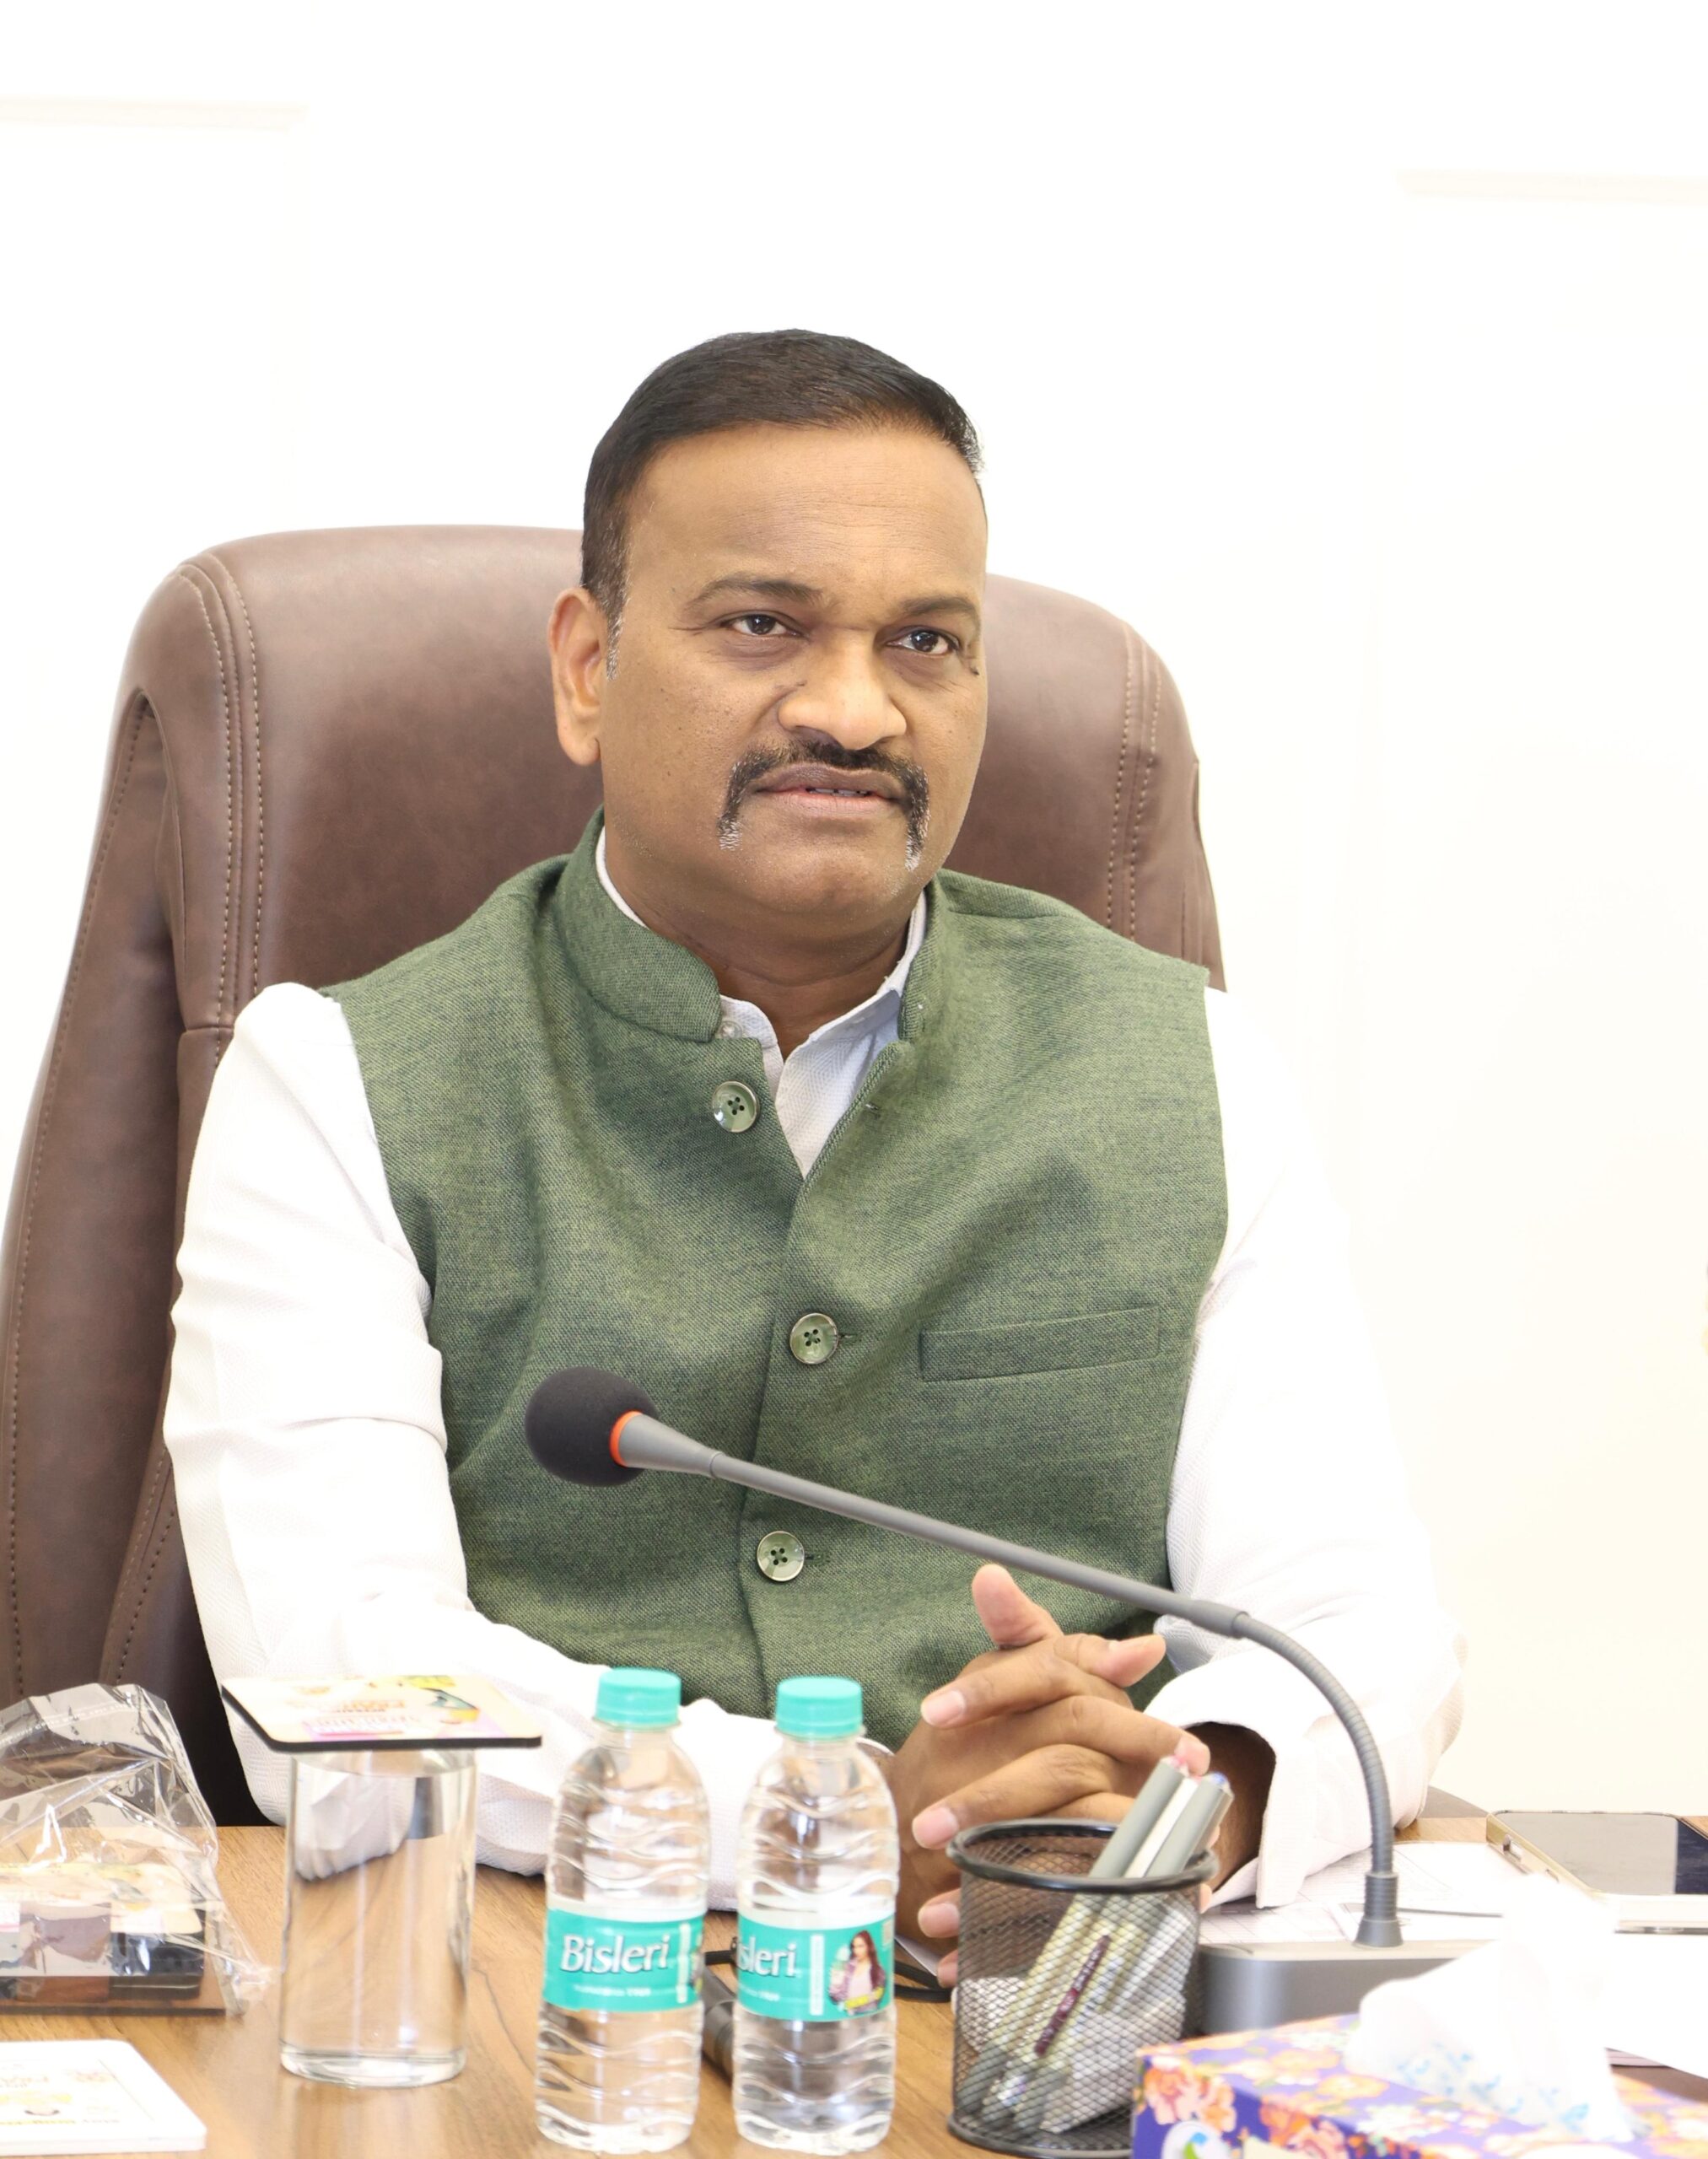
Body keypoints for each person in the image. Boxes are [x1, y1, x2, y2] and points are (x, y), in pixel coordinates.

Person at [164, 328, 1463, 1979]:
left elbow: (1355, 1619)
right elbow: (342, 1688)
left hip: (1055, 1990)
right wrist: (837, 1813)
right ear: (587, 668)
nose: (854, 709)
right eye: (761, 624)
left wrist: (1176, 1804)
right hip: (550, 1994)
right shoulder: (334, 1079)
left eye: (925, 640)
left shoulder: (1184, 1065)